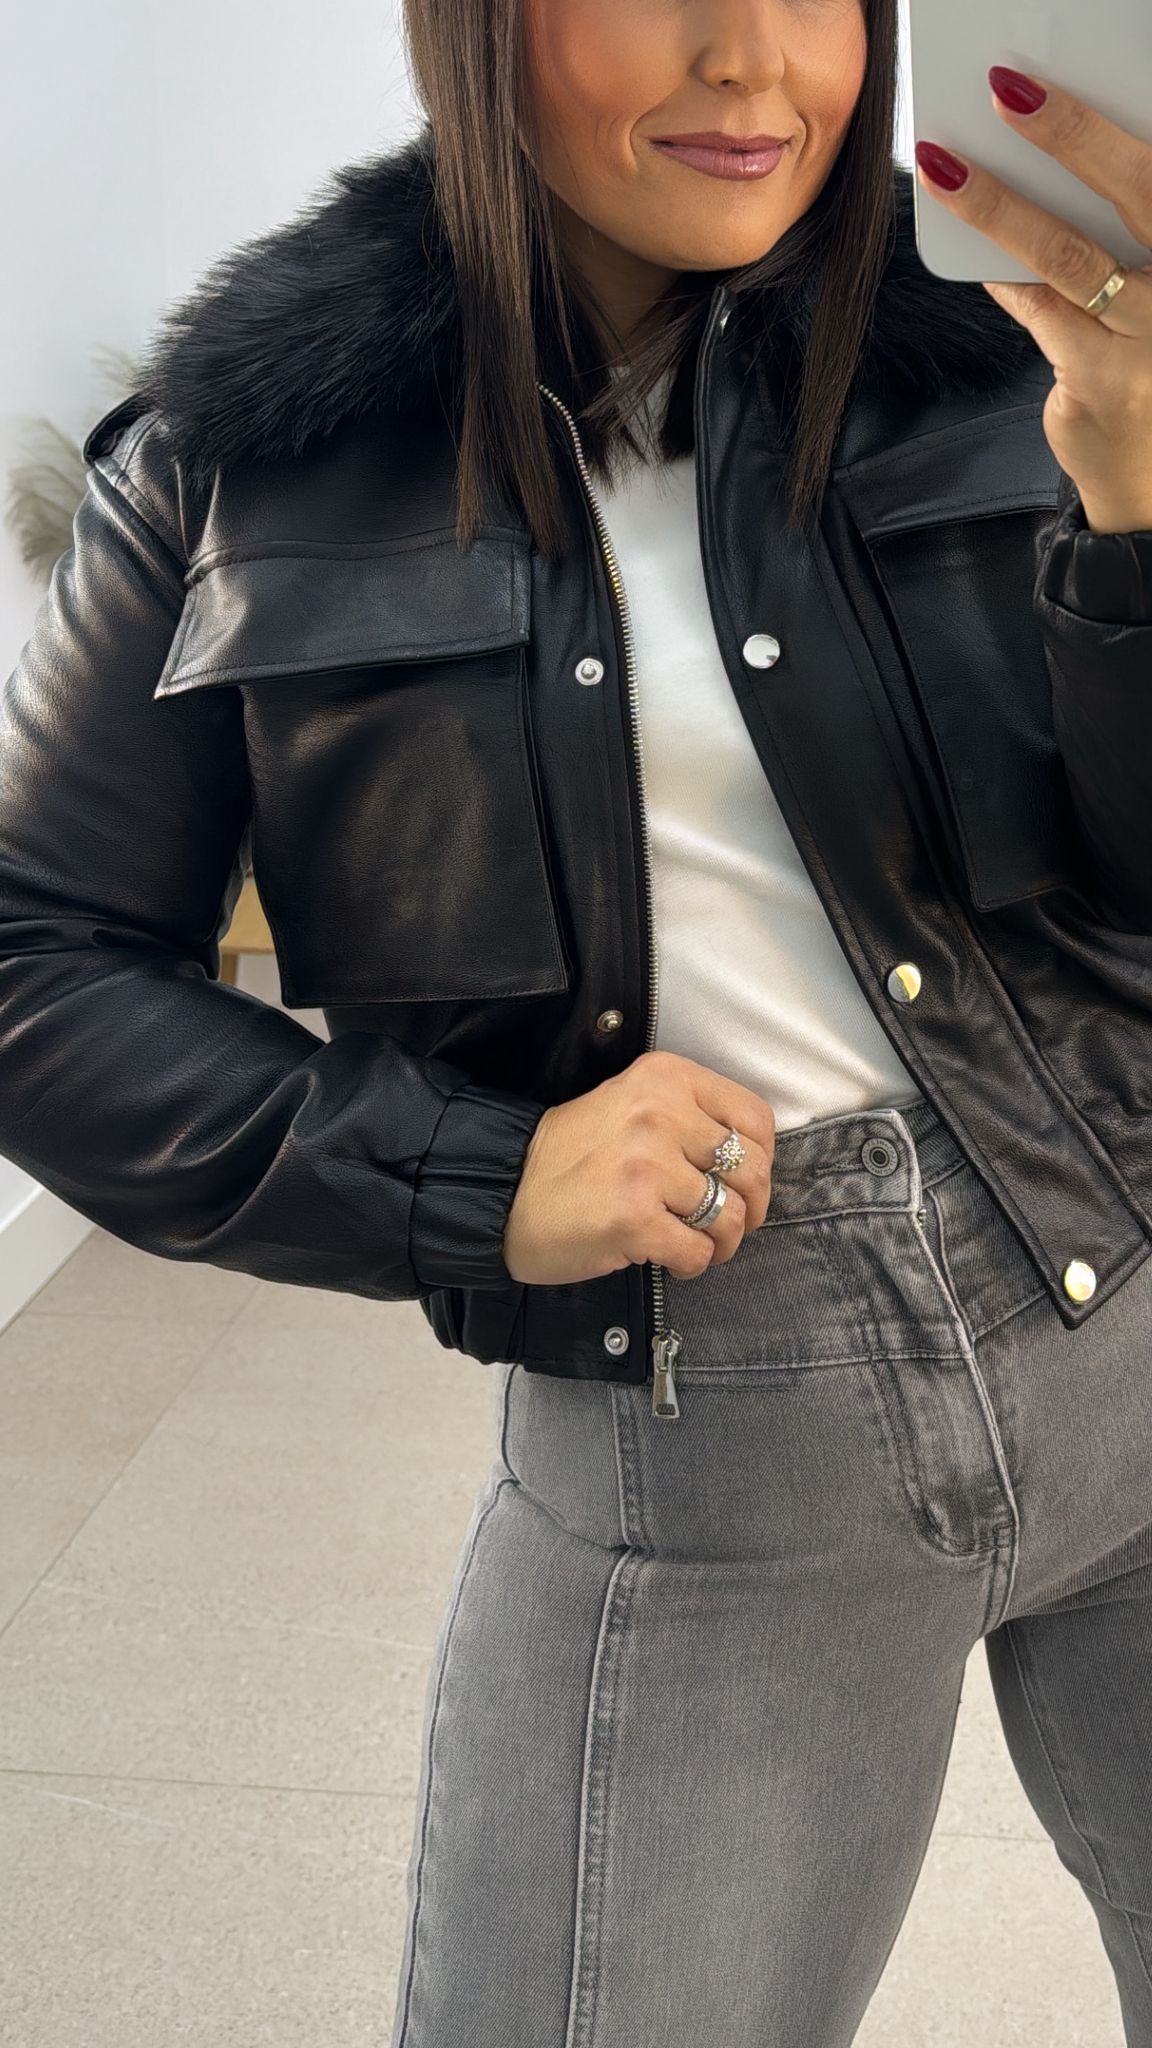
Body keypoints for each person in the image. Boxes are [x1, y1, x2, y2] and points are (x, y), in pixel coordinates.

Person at [2, 0, 1152, 2039]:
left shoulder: (1013, 339)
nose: (751, 60)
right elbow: (36, 959)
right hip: (714, 1429)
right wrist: (472, 1176)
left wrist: (1140, 506)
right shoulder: (243, 454)